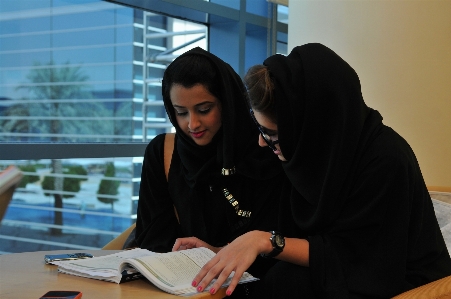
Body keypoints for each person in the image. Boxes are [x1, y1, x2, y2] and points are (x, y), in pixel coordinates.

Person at [174, 43, 451, 298]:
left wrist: (265, 241)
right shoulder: (310, 158)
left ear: (312, 127)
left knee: (287, 284)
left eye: (272, 134)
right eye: (260, 130)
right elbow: (296, 243)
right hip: (340, 271)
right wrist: (222, 253)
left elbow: (362, 258)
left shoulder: (385, 159)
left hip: (407, 286)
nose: (262, 142)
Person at [134, 47, 288, 297]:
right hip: (182, 290)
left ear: (227, 102)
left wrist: (218, 252)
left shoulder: (265, 150)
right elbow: (153, 241)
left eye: (204, 109)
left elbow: (279, 241)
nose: (192, 124)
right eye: (180, 112)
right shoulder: (163, 152)